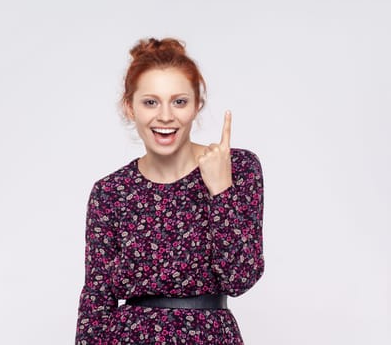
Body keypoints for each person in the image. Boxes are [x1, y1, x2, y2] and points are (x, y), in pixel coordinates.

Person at [75, 38, 264, 344]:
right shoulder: (110, 192)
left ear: (196, 105)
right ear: (130, 108)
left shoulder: (237, 167)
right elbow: (96, 300)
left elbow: (239, 278)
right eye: (151, 102)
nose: (165, 116)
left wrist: (221, 191)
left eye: (179, 101)